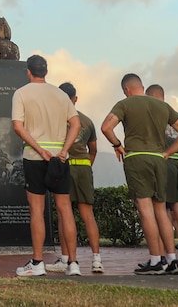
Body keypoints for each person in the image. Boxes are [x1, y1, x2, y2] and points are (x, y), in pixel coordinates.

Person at [101, 73, 178, 275]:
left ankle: (155, 260)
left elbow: (106, 127)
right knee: (161, 209)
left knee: (145, 209)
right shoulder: (163, 106)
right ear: (141, 86)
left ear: (127, 89)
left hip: (137, 158)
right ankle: (170, 259)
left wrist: (118, 145)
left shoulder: (125, 104)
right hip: (160, 159)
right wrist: (168, 152)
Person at [12, 55, 81, 277]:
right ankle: (73, 263)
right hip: (60, 159)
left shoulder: (22, 93)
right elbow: (76, 124)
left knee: (36, 211)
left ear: (28, 72)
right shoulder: (62, 95)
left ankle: (38, 262)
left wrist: (40, 149)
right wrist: (64, 149)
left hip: (35, 157)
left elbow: (18, 127)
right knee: (65, 210)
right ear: (46, 72)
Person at [50, 82, 102, 274]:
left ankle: (66, 259)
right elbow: (93, 149)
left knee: (65, 214)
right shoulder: (87, 121)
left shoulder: (56, 119)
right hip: (84, 167)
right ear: (75, 99)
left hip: (64, 167)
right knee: (88, 214)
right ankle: (97, 260)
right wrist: (87, 166)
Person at [145, 84, 178, 274]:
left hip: (162, 163)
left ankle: (164, 257)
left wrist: (165, 152)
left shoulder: (152, 114)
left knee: (160, 211)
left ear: (149, 97)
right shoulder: (175, 114)